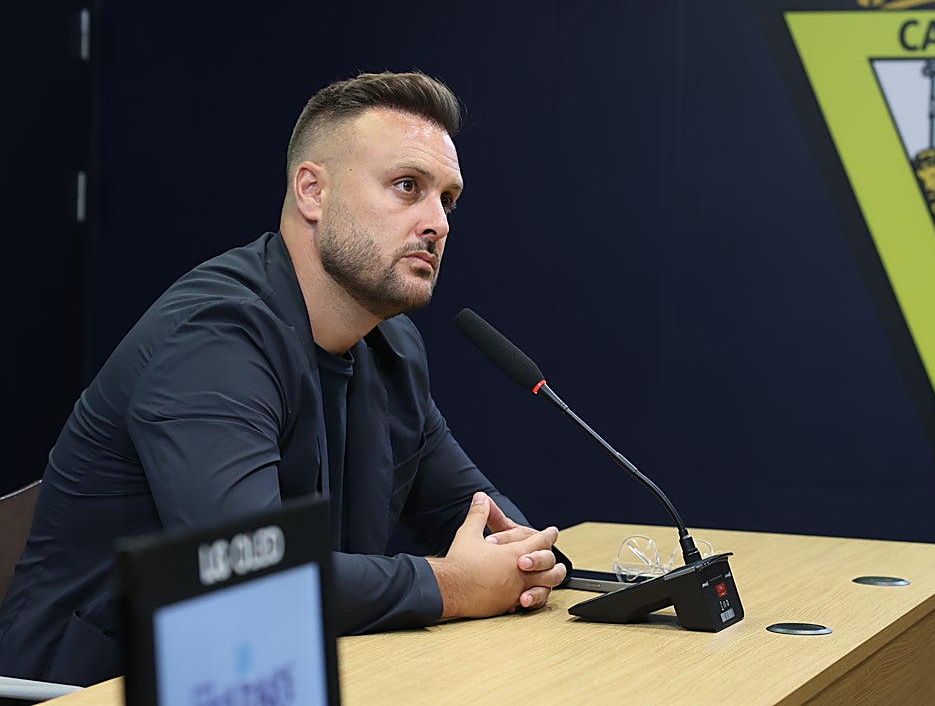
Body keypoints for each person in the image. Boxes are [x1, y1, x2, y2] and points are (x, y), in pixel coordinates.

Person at [0, 71, 568, 688]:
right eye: (408, 187)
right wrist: (453, 584)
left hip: (267, 674)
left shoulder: (391, 347)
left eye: (447, 200)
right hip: (91, 687)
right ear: (312, 192)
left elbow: (475, 514)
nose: (438, 222)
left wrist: (525, 560)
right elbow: (251, 582)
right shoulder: (213, 339)